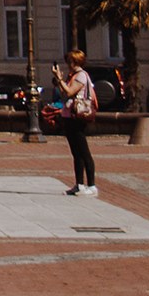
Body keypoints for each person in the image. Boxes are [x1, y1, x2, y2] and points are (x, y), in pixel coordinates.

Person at [51, 49, 97, 196]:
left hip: (78, 117)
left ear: (75, 61)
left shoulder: (82, 76)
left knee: (83, 151)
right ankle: (79, 184)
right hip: (69, 117)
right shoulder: (73, 76)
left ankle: (92, 185)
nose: (68, 64)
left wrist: (59, 78)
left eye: (69, 61)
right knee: (76, 153)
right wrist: (59, 80)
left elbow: (70, 92)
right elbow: (64, 93)